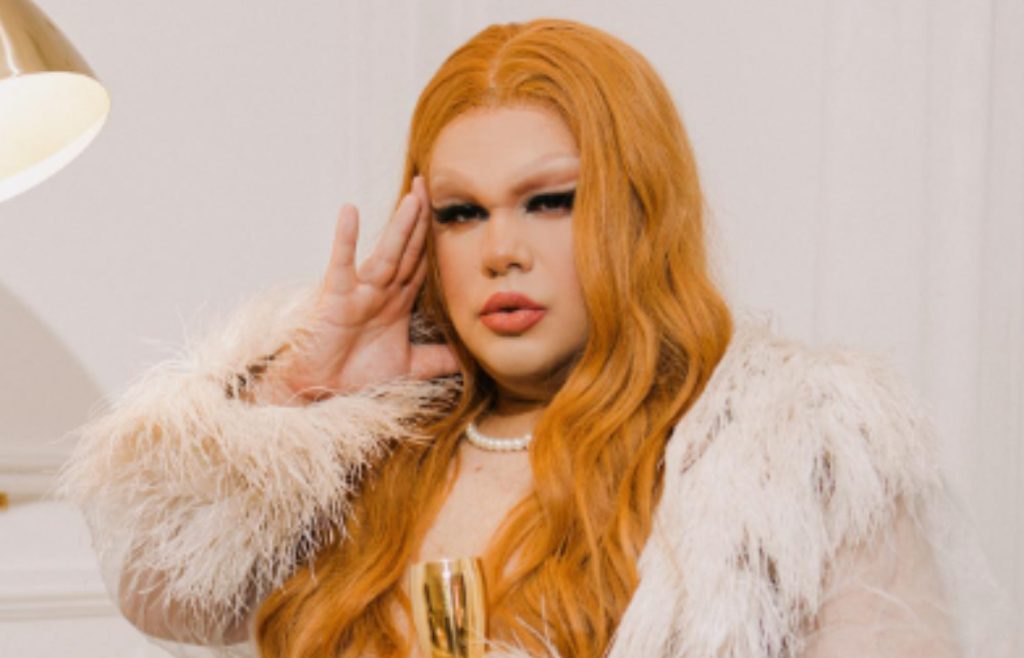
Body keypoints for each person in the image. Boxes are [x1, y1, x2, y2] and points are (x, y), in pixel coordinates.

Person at [59, 17, 1007, 658]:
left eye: (549, 201)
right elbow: (160, 592)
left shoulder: (789, 458)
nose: (500, 251)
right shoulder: (374, 446)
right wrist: (302, 401)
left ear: (639, 212)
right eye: (462, 213)